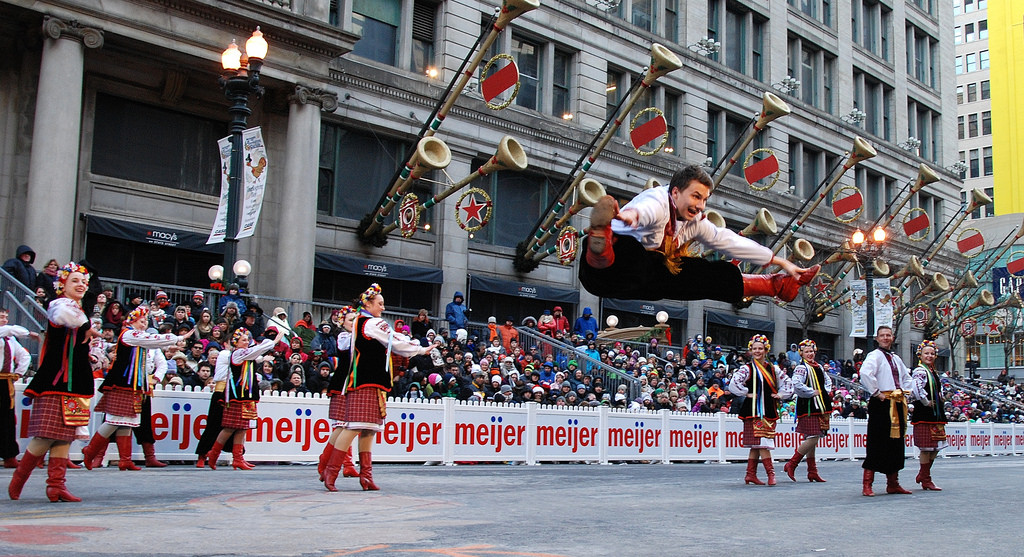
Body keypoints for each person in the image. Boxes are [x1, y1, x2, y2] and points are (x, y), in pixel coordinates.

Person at [579, 164, 819, 303]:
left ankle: (775, 285)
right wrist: (630, 215)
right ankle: (600, 245)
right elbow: (645, 209)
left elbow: (728, 241)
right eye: (696, 196)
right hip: (609, 269)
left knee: (705, 272)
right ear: (675, 192)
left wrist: (781, 262)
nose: (700, 205)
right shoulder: (657, 201)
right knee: (636, 256)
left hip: (643, 281)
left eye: (704, 199)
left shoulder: (696, 222)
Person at [322, 284, 438, 491]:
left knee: (368, 429)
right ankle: (331, 471)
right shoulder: (371, 323)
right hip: (366, 380)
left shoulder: (363, 323)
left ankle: (365, 475)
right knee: (354, 426)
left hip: (371, 379)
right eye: (380, 303)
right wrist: (420, 349)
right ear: (368, 304)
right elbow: (395, 340)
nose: (383, 308)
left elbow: (393, 340)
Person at [9, 262, 94, 502]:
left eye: (84, 282)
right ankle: (19, 477)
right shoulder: (59, 305)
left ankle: (56, 486)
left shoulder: (79, 310)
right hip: (56, 379)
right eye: (75, 281)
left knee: (65, 435)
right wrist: (88, 326)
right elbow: (66, 317)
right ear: (62, 285)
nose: (81, 285)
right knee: (46, 435)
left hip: (75, 381)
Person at [80, 306, 190, 471]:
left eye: (146, 321)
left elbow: (151, 344)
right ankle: (90, 450)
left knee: (128, 422)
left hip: (134, 384)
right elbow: (152, 339)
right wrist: (177, 338)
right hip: (123, 383)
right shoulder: (129, 334)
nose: (144, 323)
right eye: (141, 320)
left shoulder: (137, 337)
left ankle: (125, 459)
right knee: (113, 420)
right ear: (132, 321)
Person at [204, 326, 284, 470]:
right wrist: (273, 341)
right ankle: (214, 454)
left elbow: (256, 353)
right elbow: (257, 350)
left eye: (247, 340)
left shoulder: (247, 354)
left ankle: (238, 458)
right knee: (230, 427)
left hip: (247, 395)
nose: (247, 342)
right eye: (243, 340)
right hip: (238, 395)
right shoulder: (238, 353)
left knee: (243, 427)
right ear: (236, 342)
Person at [729, 334, 792, 486]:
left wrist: (781, 394)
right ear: (751, 351)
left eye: (760, 348)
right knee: (763, 442)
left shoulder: (774, 369)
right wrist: (746, 392)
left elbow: (788, 383)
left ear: (766, 350)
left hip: (768, 408)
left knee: (757, 443)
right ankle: (771, 474)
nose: (757, 351)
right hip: (753, 410)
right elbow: (733, 383)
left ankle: (750, 474)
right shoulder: (747, 368)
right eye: (754, 348)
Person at [858, 325, 913, 496]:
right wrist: (877, 392)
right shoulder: (874, 356)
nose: (886, 338)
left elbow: (906, 378)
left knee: (896, 443)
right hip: (882, 403)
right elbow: (865, 373)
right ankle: (867, 484)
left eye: (888, 335)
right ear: (877, 338)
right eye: (882, 335)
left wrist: (906, 392)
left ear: (893, 337)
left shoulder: (896, 358)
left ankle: (893, 483)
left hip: (896, 402)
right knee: (877, 441)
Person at [317, 306, 359, 485]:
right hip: (343, 384)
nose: (354, 323)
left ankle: (346, 464)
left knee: (351, 427)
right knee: (342, 426)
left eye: (356, 319)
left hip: (354, 384)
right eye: (350, 320)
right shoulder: (343, 336)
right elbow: (347, 346)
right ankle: (325, 462)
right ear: (342, 323)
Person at [783, 339, 832, 483]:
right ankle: (792, 463)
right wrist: (811, 392)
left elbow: (827, 381)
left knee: (812, 438)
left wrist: (824, 391)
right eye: (807, 352)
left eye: (811, 351)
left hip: (820, 404)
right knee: (814, 436)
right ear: (801, 354)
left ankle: (812, 471)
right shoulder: (802, 368)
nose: (810, 354)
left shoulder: (818, 366)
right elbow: (796, 384)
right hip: (809, 405)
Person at [0, 308, 35, 468]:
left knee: (7, 418)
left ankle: (9, 455)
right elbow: (11, 329)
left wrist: (19, 373)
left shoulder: (10, 339)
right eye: (1, 317)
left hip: (5, 381)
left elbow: (24, 355)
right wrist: (29, 333)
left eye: (6, 317)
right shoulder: (6, 332)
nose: (5, 320)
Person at [910, 340, 946, 491]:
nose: (929, 356)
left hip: (936, 413)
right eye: (926, 353)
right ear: (920, 355)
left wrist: (941, 396)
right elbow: (916, 387)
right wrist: (925, 401)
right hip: (925, 412)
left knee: (936, 446)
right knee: (926, 448)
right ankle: (926, 479)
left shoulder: (932, 372)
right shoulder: (920, 371)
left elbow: (937, 388)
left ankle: (923, 474)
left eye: (932, 353)